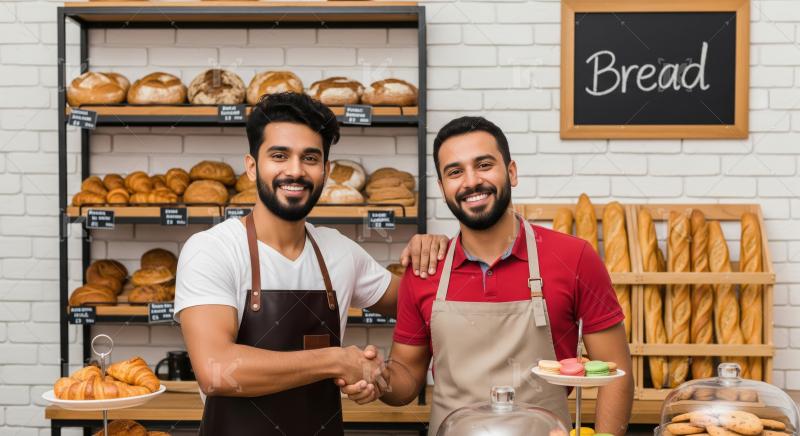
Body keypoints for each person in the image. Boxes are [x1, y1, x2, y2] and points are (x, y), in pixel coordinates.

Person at [338, 116, 634, 436]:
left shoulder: (575, 258)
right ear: (442, 188)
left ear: (511, 172)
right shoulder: (425, 271)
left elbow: (616, 372)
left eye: (483, 164)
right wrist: (378, 379)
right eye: (455, 172)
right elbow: (407, 376)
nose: (471, 181)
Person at [175, 92, 446, 436]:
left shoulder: (339, 251)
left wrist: (438, 250)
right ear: (251, 166)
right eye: (279, 155)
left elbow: (418, 303)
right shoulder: (213, 249)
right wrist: (336, 360)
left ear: (326, 171)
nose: (295, 171)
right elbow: (215, 370)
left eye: (310, 158)